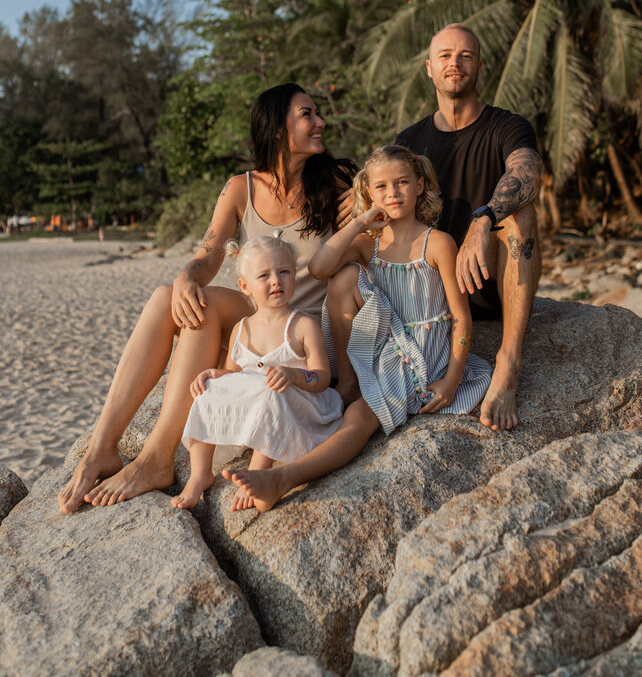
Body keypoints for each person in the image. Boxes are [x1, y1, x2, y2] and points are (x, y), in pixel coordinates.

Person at [58, 83, 354, 513]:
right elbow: (208, 256)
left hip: (303, 331)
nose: (320, 122)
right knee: (169, 297)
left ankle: (158, 458)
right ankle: (102, 448)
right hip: (255, 321)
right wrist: (186, 276)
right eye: (307, 114)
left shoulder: (337, 182)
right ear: (276, 129)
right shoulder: (241, 188)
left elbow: (388, 201)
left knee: (202, 307)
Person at [223, 143, 491, 512]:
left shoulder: (438, 243)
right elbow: (319, 268)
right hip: (388, 350)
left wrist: (452, 380)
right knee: (344, 278)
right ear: (367, 192)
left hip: (426, 359)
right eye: (380, 187)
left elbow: (461, 317)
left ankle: (283, 478)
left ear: (420, 186)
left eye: (401, 183)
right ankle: (347, 382)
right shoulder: (369, 244)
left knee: (359, 419)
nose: (392, 193)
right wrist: (360, 222)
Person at [394, 23, 542, 432]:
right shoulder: (409, 140)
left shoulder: (507, 126)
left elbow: (528, 174)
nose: (454, 64)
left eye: (465, 56)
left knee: (521, 213)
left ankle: (508, 364)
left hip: (489, 280)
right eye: (444, 56)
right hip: (435, 296)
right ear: (429, 67)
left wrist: (484, 219)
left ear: (480, 66)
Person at [171, 237, 343, 511]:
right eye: (264, 275)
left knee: (269, 389)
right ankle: (200, 473)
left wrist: (295, 375)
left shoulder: (302, 326)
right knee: (208, 390)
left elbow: (322, 378)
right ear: (245, 286)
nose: (276, 281)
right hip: (264, 403)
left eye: (284, 272)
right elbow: (233, 374)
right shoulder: (242, 328)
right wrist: (215, 375)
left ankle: (258, 473)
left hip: (302, 408)